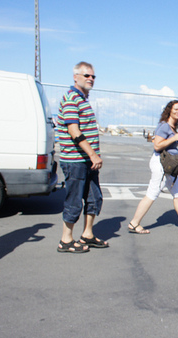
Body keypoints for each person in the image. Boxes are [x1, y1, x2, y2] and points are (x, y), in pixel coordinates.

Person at [56, 61, 108, 253]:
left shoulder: (82, 100)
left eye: (93, 76)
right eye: (86, 75)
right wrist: (93, 154)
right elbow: (74, 131)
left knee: (94, 198)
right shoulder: (71, 99)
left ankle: (87, 234)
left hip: (87, 162)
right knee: (74, 200)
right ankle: (66, 240)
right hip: (75, 161)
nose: (91, 79)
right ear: (75, 77)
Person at [128, 100, 178, 234]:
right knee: (152, 193)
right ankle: (134, 223)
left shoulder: (172, 127)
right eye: (176, 109)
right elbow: (157, 145)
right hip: (161, 165)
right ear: (169, 110)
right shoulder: (164, 126)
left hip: (169, 166)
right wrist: (174, 138)